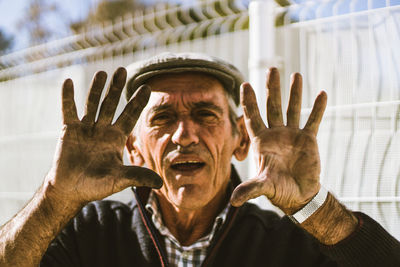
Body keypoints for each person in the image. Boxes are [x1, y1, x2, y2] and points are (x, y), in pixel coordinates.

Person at [0, 52, 399, 267]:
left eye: (206, 115)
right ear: (134, 149)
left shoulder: (288, 246)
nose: (184, 135)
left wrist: (317, 210)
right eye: (163, 118)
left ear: (240, 140)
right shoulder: (90, 234)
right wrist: (54, 199)